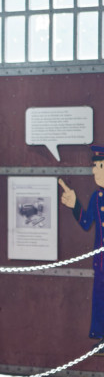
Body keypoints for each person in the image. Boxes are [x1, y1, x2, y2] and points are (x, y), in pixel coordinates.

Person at [59, 145, 104, 338]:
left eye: (100, 166)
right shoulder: (96, 198)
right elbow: (86, 223)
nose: (94, 171)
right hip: (100, 263)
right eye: (95, 166)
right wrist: (74, 204)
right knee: (99, 300)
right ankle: (100, 337)